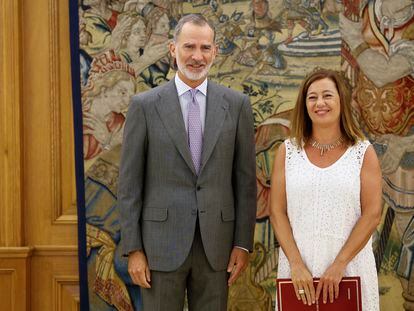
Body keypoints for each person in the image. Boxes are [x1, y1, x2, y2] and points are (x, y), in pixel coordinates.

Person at [117, 14, 257, 311]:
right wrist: (134, 249)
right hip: (158, 247)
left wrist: (242, 244)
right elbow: (130, 184)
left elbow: (245, 183)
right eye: (189, 46)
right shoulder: (144, 106)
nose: (197, 56)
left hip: (216, 248)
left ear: (215, 52)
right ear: (172, 49)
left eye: (205, 48)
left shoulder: (236, 105)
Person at [269, 68, 382, 311]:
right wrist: (296, 265)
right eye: (312, 97)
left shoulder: (362, 152)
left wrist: (339, 264)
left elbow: (372, 213)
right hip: (299, 272)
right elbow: (277, 212)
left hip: (349, 268)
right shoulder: (288, 151)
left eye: (327, 95)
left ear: (341, 100)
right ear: (304, 105)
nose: (320, 103)